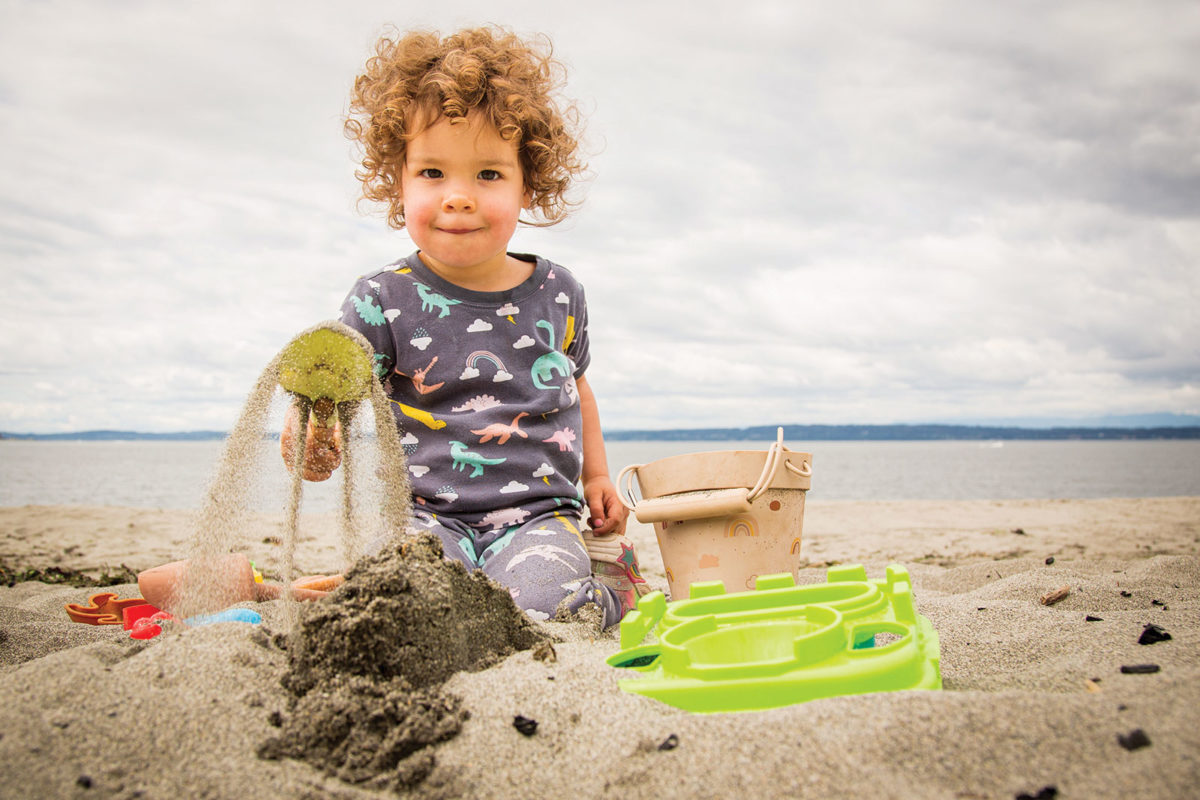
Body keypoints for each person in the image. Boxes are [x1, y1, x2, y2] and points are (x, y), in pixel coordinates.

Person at [282, 26, 645, 627]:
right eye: (432, 172)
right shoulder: (381, 299)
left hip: (537, 515)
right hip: (419, 515)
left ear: (528, 182)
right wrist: (313, 429)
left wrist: (599, 476)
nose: (458, 197)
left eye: (488, 174)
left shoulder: (559, 293)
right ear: (397, 181)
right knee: (403, 602)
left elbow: (575, 385)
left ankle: (615, 582)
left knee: (549, 607)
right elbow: (334, 392)